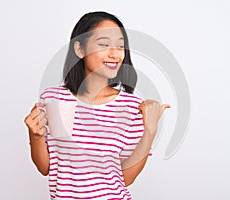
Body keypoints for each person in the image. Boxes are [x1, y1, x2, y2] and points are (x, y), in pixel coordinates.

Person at [24, 11, 171, 200]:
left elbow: (125, 179)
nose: (114, 53)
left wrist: (150, 131)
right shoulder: (54, 99)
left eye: (120, 46)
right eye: (103, 44)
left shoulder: (131, 107)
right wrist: (35, 135)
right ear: (80, 49)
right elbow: (46, 168)